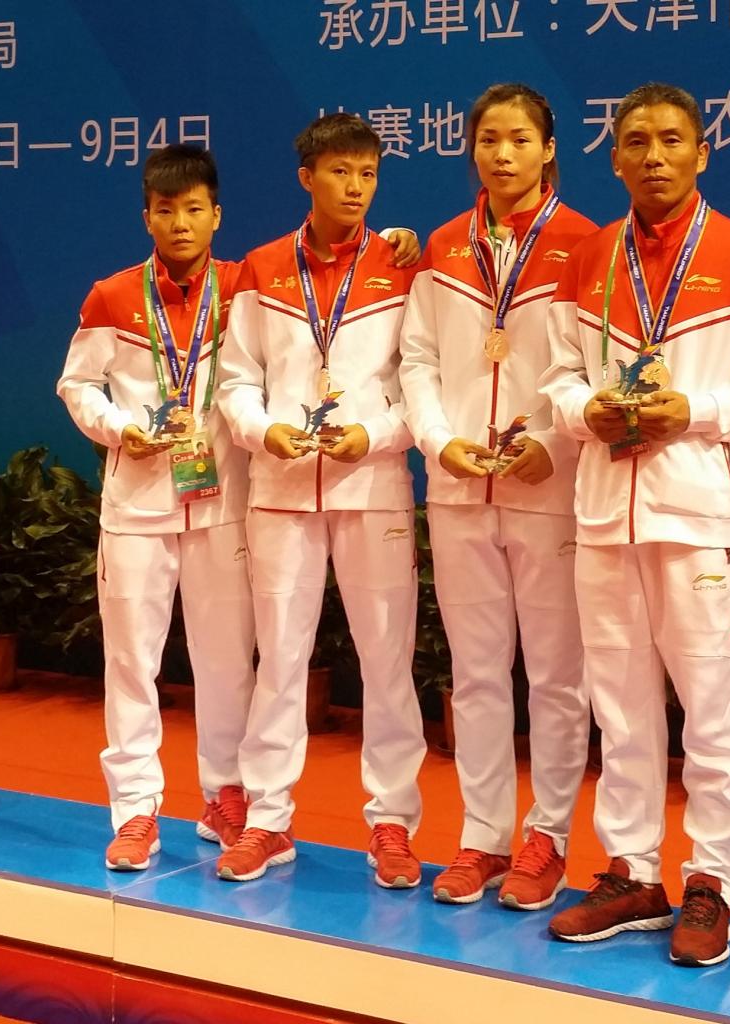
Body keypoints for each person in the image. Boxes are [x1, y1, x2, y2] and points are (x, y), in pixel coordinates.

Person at [541, 82, 730, 965]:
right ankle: (632, 873)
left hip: (700, 516)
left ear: (702, 152)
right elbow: (557, 378)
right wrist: (586, 411)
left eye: (670, 140)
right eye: (635, 141)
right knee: (619, 708)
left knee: (711, 707)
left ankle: (710, 883)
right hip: (604, 513)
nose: (653, 156)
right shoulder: (589, 259)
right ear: (614, 158)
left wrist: (692, 411)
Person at [216, 114, 427, 888]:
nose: (356, 187)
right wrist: (262, 431)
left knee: (387, 662)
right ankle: (268, 820)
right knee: (279, 660)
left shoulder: (401, 266)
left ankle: (393, 822)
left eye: (368, 174)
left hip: (373, 487)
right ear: (307, 177)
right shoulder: (262, 268)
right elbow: (236, 380)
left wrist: (373, 436)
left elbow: (421, 387)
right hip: (279, 491)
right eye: (340, 172)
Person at [399, 83, 596, 910]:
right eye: (488, 139)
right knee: (476, 675)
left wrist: (554, 445)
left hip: (547, 490)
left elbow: (596, 369)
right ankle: (482, 835)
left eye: (519, 139)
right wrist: (438, 440)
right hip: (457, 488)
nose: (502, 153)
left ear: (548, 149)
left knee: (556, 675)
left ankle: (548, 837)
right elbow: (415, 359)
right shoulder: (445, 246)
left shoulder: (586, 245)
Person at [57, 145, 256, 870]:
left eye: (194, 209)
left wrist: (398, 240)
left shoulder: (244, 288)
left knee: (227, 663)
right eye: (166, 210)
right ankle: (136, 810)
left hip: (222, 504)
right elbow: (77, 385)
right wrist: (119, 428)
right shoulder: (111, 297)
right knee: (132, 663)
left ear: (217, 215)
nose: (180, 223)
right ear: (147, 216)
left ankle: (225, 794)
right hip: (137, 508)